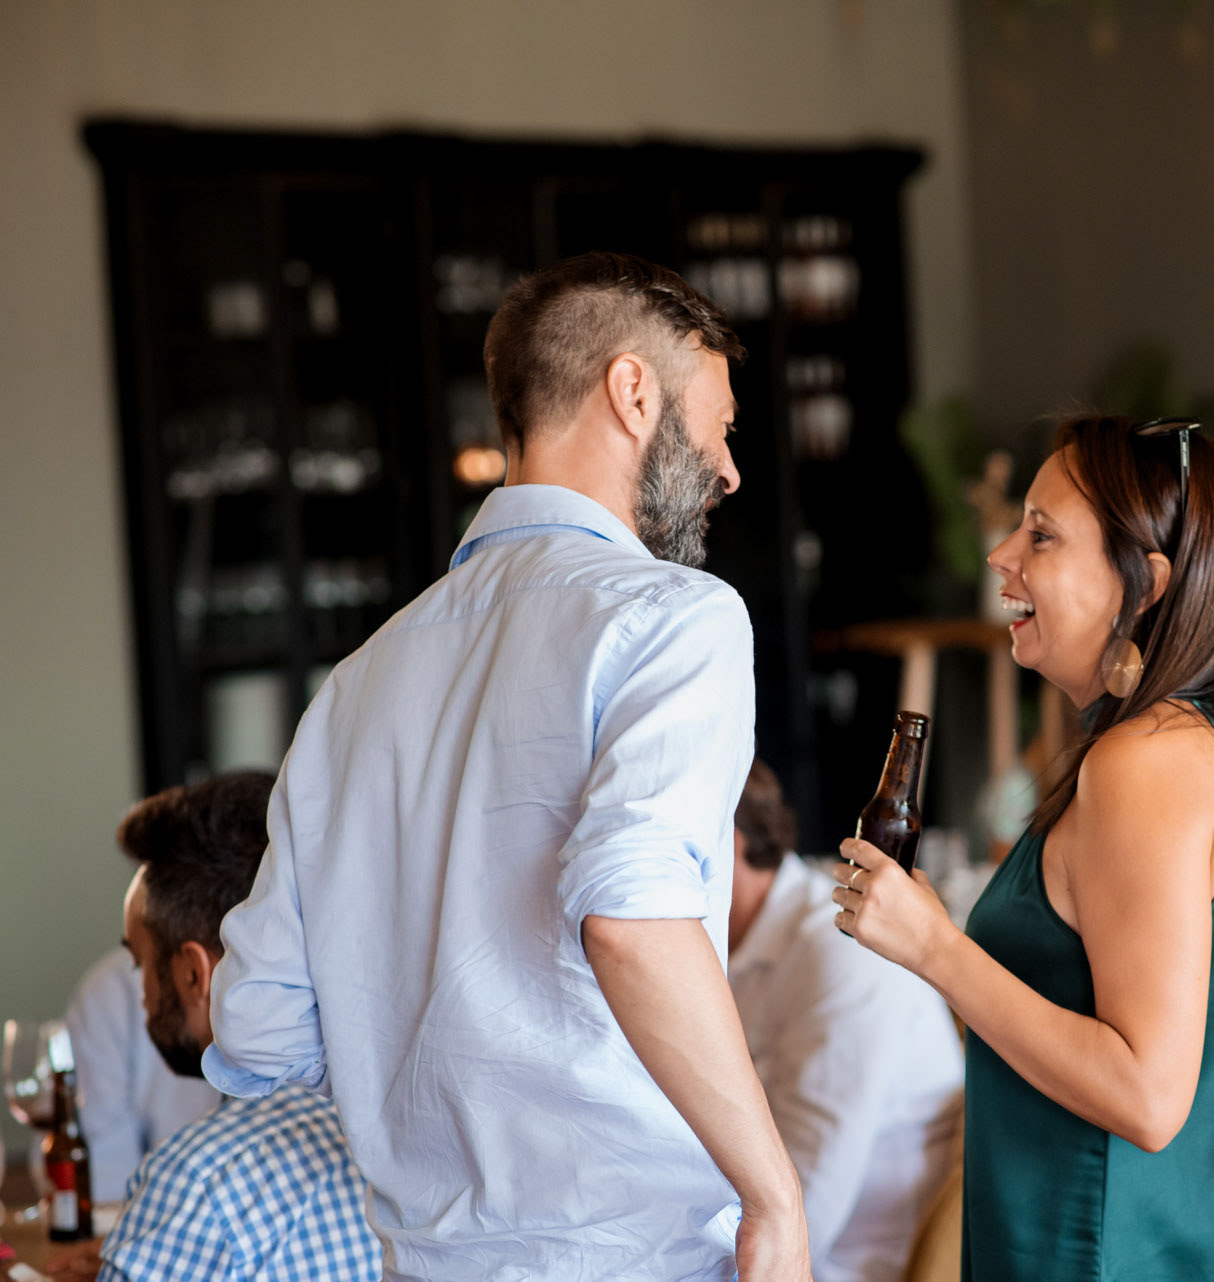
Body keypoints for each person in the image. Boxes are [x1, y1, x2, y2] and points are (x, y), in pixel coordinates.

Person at [203, 252, 810, 1282]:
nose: (728, 466)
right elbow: (630, 914)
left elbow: (257, 1028)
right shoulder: (675, 618)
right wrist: (774, 1197)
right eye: (721, 424)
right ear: (633, 391)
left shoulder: (354, 684)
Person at [832, 413, 1214, 1281]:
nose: (1000, 558)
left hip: (1110, 1250)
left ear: (1143, 584)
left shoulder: (1145, 767)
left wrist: (936, 951)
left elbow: (1145, 1095)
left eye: (1041, 534)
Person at [52, 772, 379, 1282]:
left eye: (140, 965)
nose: (140, 994)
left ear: (192, 972)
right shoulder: (392, 1128)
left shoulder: (199, 1184)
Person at [728, 760, 963, 1282]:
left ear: (732, 839)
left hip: (849, 1265)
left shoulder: (840, 953)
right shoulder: (732, 947)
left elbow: (805, 1210)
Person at [64, 948, 220, 1202]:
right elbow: (106, 1175)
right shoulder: (112, 989)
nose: (144, 998)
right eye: (140, 963)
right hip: (139, 1216)